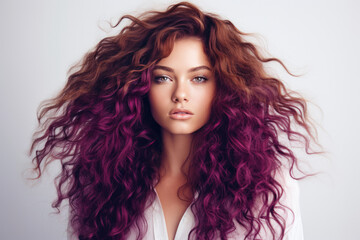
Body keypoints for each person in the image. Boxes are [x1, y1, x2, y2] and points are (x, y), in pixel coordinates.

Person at [30, 2, 317, 239]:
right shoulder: (103, 184)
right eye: (163, 77)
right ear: (139, 87)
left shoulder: (266, 188)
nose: (180, 94)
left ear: (224, 87)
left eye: (199, 78)